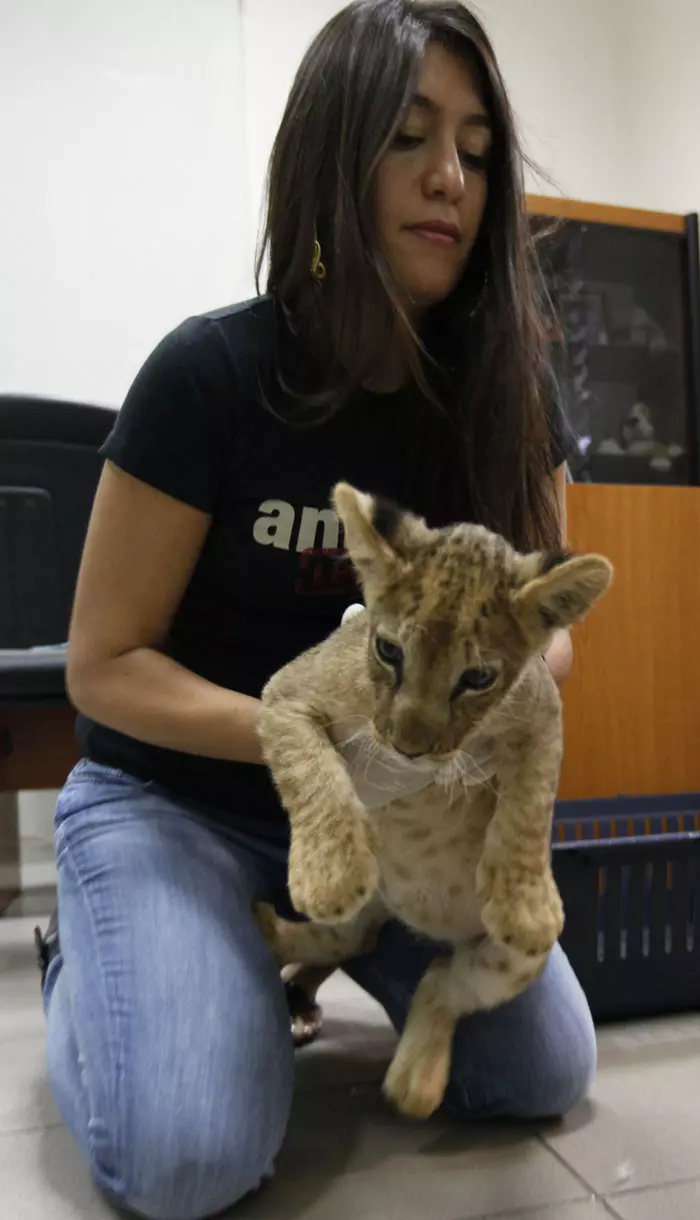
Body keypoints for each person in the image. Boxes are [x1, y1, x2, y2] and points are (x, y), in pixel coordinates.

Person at [37, 3, 594, 1218]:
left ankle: (268, 959)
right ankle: (106, 954)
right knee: (188, 1151)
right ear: (332, 157)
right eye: (407, 136)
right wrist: (318, 746)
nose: (450, 176)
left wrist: (486, 696)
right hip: (179, 800)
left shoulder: (503, 395)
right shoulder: (209, 374)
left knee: (544, 1066)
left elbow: (549, 628)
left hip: (405, 810)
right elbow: (104, 664)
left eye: (477, 147)